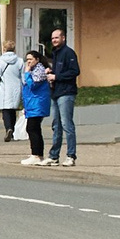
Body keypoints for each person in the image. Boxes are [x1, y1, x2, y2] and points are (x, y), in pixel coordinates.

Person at [46, 27, 81, 166]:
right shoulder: (56, 53)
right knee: (56, 126)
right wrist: (51, 71)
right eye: (53, 38)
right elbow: (60, 70)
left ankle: (71, 156)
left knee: (67, 125)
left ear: (63, 38)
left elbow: (75, 71)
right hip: (55, 92)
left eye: (57, 38)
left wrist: (56, 76)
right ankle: (54, 156)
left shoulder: (68, 52)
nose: (54, 40)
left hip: (66, 93)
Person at [18, 51, 54, 165]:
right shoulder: (35, 70)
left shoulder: (39, 70)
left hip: (37, 103)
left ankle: (36, 155)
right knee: (34, 129)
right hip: (32, 104)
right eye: (27, 59)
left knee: (32, 128)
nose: (28, 61)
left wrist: (27, 73)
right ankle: (37, 154)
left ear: (37, 60)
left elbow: (33, 85)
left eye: (31, 59)